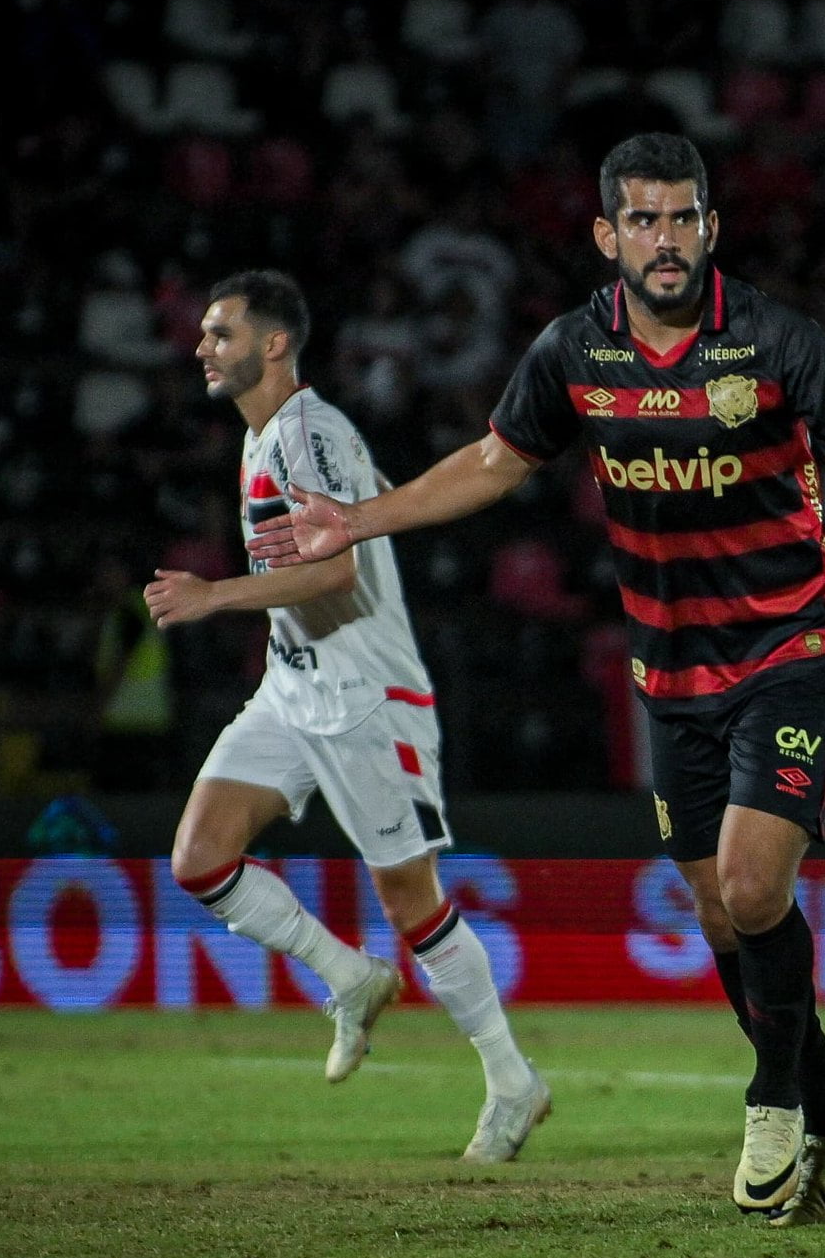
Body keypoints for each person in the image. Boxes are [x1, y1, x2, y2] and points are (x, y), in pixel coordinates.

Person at [247, 135, 825, 1224]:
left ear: (710, 227)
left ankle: (772, 1102)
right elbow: (494, 463)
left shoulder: (772, 339)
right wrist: (353, 518)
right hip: (671, 670)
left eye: (682, 218)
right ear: (608, 236)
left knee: (748, 885)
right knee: (720, 918)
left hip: (793, 653)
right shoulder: (572, 352)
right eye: (643, 221)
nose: (666, 240)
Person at [147, 270, 549, 1165]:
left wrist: (217, 595)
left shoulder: (309, 433)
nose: (203, 347)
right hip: (296, 685)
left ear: (275, 343)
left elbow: (337, 572)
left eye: (221, 333)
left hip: (370, 699)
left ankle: (513, 1079)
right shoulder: (263, 441)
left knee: (411, 899)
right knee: (200, 857)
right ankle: (348, 976)